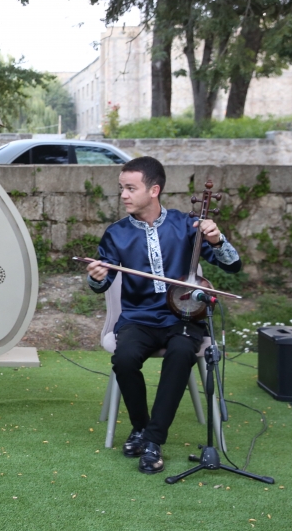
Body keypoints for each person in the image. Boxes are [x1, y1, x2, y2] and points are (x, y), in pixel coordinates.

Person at [85, 157, 242, 474]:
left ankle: (153, 441)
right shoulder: (115, 234)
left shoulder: (186, 225)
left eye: (131, 188)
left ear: (154, 190)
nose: (124, 195)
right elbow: (102, 285)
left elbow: (233, 265)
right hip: (138, 319)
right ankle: (141, 427)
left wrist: (216, 239)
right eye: (122, 188)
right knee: (124, 358)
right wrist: (97, 277)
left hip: (183, 318)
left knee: (182, 352)